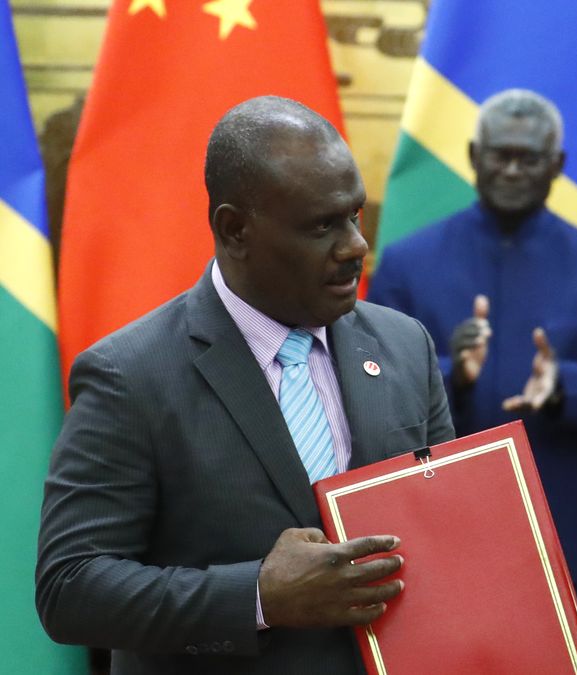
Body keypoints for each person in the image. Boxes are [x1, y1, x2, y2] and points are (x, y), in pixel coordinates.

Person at [36, 96, 455, 674]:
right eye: (321, 225)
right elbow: (71, 587)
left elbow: (444, 535)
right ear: (234, 230)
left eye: (354, 215)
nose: (356, 245)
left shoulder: (406, 346)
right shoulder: (129, 376)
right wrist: (259, 597)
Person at [368, 88, 577, 633]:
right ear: (475, 157)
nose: (514, 170)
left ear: (558, 166)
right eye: (501, 155)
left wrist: (564, 387)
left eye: (531, 158)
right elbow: (371, 389)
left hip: (561, 529)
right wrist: (454, 376)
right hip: (435, 524)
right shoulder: (406, 263)